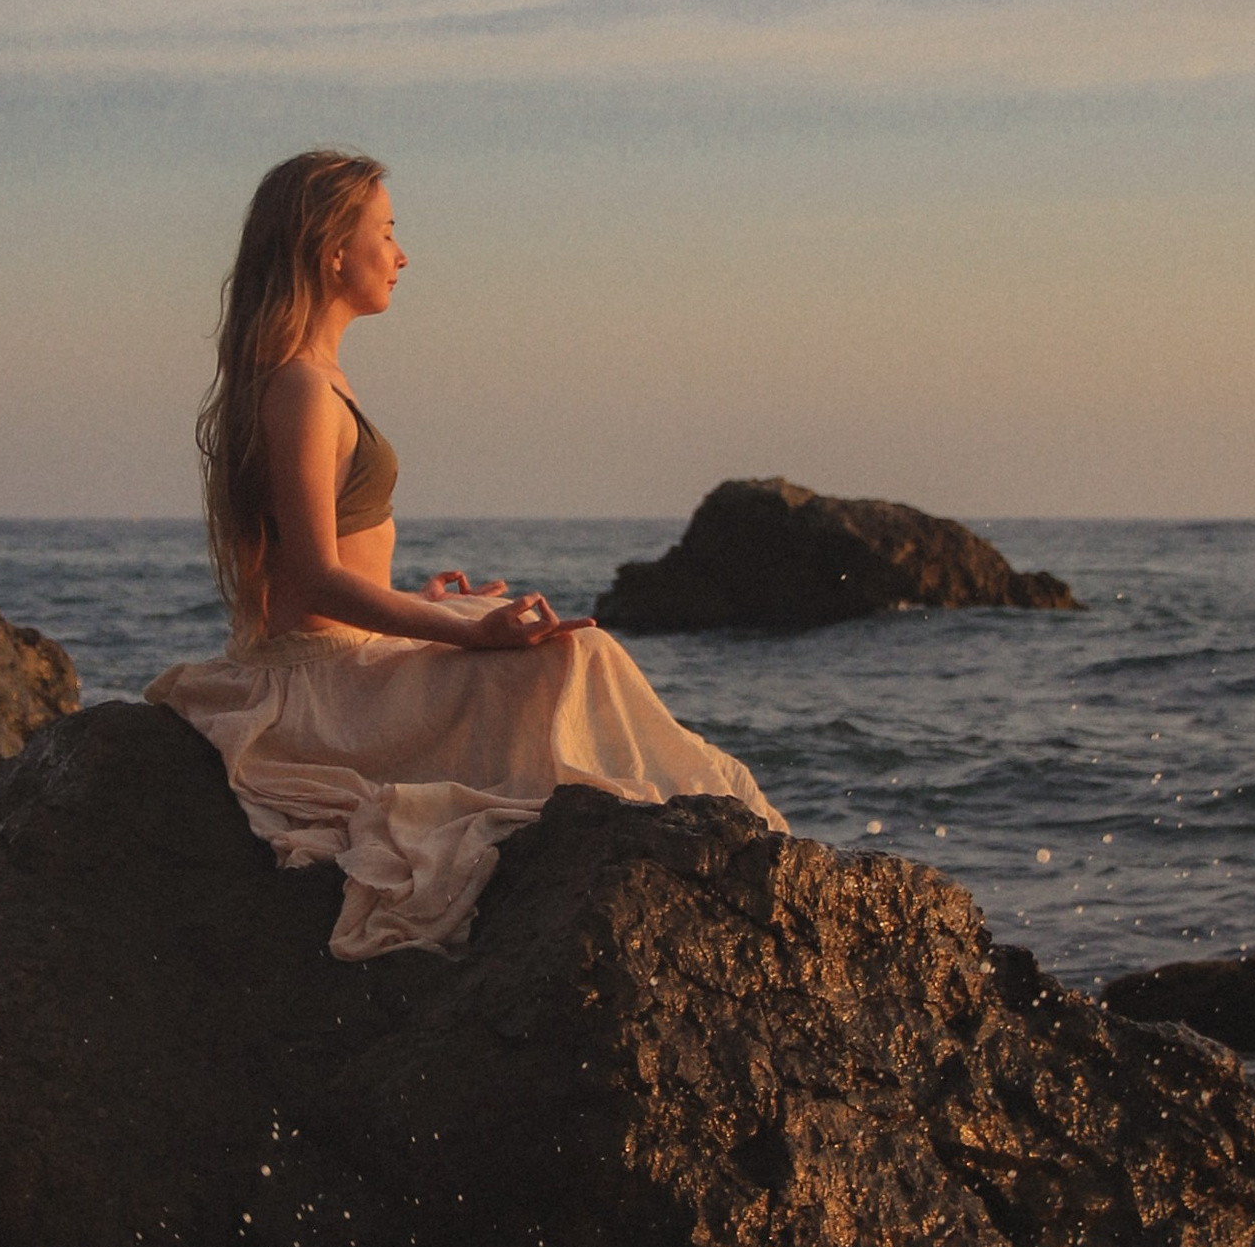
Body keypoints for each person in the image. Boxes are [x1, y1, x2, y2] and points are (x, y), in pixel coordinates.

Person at [147, 148, 784, 957]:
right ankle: (717, 843)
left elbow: (332, 564)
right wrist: (463, 633)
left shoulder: (308, 377)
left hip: (342, 654)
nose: (403, 254)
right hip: (318, 683)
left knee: (548, 643)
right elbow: (310, 578)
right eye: (386, 231)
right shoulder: (302, 389)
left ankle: (708, 838)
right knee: (572, 656)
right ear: (331, 249)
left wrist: (430, 604)